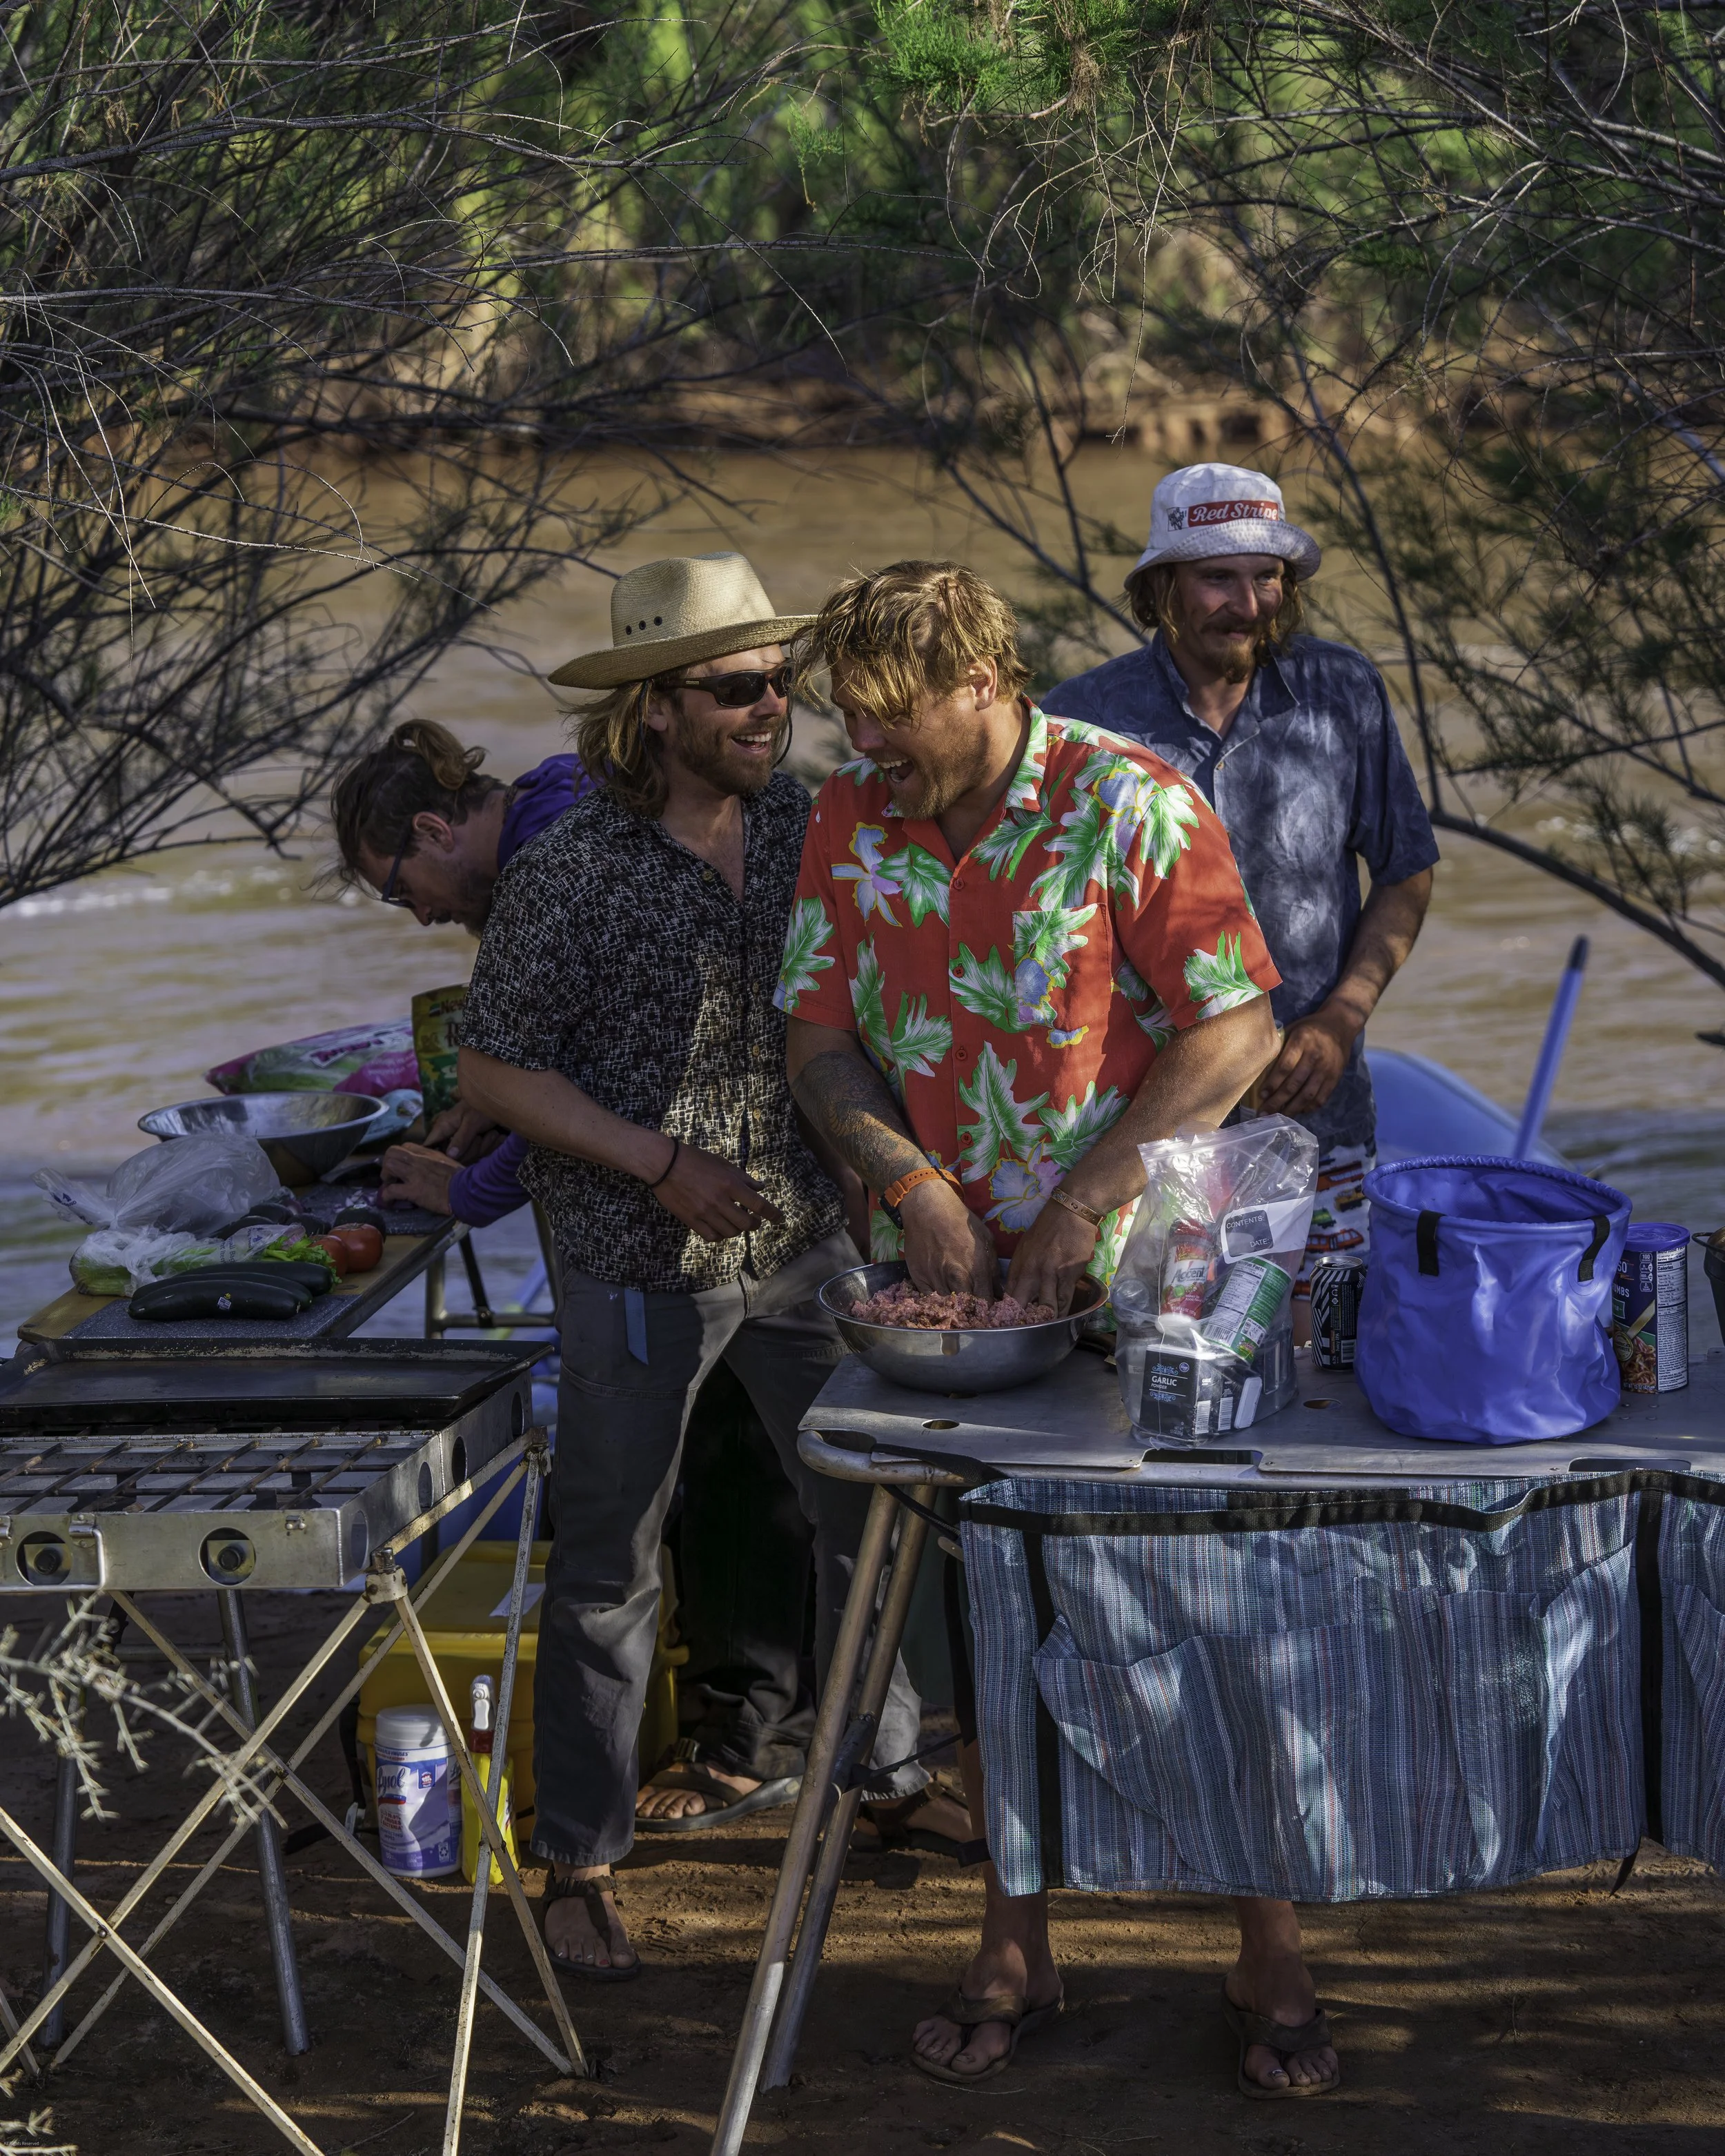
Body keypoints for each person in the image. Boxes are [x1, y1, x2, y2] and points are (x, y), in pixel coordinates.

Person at [779, 561, 1341, 2099]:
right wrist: (903, 1180)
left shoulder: (1126, 799)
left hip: (1151, 1273)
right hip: (954, 1296)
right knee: (989, 1612)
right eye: (846, 715)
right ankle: (1013, 1932)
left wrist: (1086, 1198)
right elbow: (816, 1038)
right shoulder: (848, 817)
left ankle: (1264, 1937)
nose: (860, 742)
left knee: (1196, 1595)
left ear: (979, 676)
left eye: (888, 715)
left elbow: (1233, 1025)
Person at [456, 551, 956, 1980]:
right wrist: (656, 1158)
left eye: (777, 680)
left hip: (805, 1240)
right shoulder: (570, 871)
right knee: (611, 1564)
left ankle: (895, 1777)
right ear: (653, 710)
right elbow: (492, 1066)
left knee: (868, 1520)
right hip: (631, 1259)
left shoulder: (814, 823)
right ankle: (581, 1859)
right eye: (736, 686)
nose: (770, 703)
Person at [1041, 464, 1438, 1324]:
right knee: (1152, 1364)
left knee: (1318, 1361)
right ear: (1162, 590)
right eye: (1218, 577)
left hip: (1316, 1115)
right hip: (1140, 1137)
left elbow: (1405, 869)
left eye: (1266, 577)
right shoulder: (1082, 722)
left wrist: (1340, 1018)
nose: (1248, 603)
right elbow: (1042, 933)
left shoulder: (1342, 693)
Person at [330, 718, 596, 1228]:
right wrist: (499, 1105)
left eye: (404, 891)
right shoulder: (557, 784)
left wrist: (465, 1191)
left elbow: (595, 1080)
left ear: (433, 830)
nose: (424, 917)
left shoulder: (550, 860)